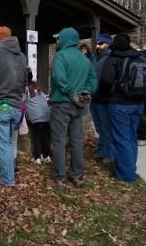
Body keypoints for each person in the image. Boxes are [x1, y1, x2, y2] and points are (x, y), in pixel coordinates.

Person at [49, 27, 97, 188]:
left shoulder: (60, 56)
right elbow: (93, 80)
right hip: (78, 107)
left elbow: (59, 78)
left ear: (65, 39)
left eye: (59, 39)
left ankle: (60, 177)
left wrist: (71, 93)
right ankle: (77, 175)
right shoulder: (85, 59)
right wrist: (85, 92)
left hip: (61, 105)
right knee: (77, 140)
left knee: (59, 141)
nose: (57, 41)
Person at [0, 26, 27, 187]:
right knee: (7, 142)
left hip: (0, 106)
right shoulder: (21, 56)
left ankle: (8, 180)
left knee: (3, 144)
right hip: (15, 105)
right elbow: (24, 81)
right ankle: (8, 176)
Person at [99, 33, 145, 183]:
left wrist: (105, 94)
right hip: (138, 103)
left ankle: (126, 175)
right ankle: (131, 168)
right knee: (131, 136)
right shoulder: (139, 57)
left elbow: (106, 80)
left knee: (121, 138)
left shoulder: (113, 58)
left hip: (119, 103)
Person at [90, 34, 114, 164]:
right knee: (99, 128)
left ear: (108, 44)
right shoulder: (95, 57)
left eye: (100, 43)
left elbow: (108, 80)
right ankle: (101, 151)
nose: (97, 46)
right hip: (95, 98)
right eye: (97, 43)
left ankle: (110, 155)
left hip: (104, 99)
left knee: (106, 129)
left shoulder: (110, 58)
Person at [24, 77, 51, 164]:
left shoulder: (25, 94)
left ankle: (37, 158)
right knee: (45, 137)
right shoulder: (41, 93)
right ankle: (46, 156)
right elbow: (47, 100)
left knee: (37, 137)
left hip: (37, 119)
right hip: (46, 117)